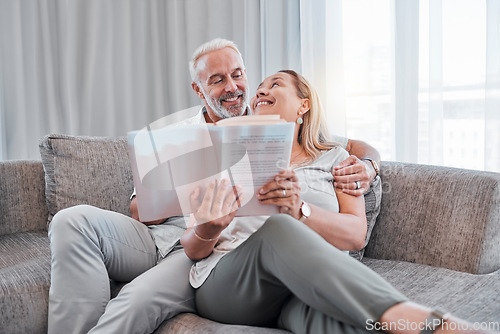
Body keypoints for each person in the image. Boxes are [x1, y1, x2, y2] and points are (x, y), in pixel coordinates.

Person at [47, 39, 380, 334]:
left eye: (238, 75)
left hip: (212, 248)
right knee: (70, 219)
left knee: (137, 300)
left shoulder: (269, 119)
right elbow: (140, 212)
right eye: (218, 80)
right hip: (164, 237)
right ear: (199, 89)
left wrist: (369, 165)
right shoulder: (180, 134)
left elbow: (338, 145)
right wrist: (189, 187)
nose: (233, 87)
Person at [180, 69, 494, 334]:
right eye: (259, 89)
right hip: (229, 284)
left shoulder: (337, 159)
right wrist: (208, 228)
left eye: (274, 84)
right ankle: (421, 321)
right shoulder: (228, 154)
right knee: (278, 227)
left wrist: (300, 211)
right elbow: (192, 248)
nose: (261, 91)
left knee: (335, 321)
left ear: (303, 106)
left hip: (301, 289)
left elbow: (355, 235)